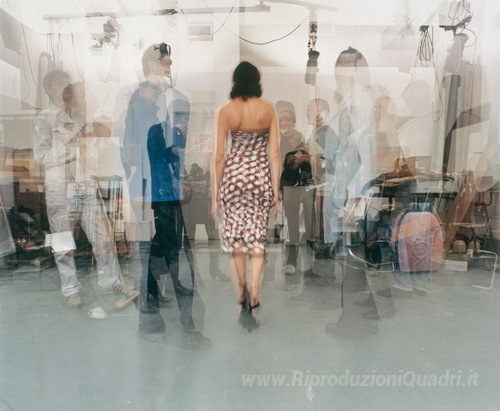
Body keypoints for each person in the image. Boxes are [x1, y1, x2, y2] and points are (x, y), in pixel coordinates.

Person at [124, 43, 211, 349]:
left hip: (166, 190)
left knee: (167, 252)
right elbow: (132, 150)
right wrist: (139, 189)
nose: (170, 68)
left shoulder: (166, 100)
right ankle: (174, 322)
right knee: (167, 256)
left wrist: (180, 176)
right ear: (152, 64)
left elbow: (172, 149)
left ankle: (166, 316)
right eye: (166, 63)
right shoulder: (139, 103)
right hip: (152, 191)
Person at [33, 73, 124, 320]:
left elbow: (91, 150)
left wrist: (94, 149)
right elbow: (41, 155)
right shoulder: (44, 118)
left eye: (67, 83)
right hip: (60, 189)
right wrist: (73, 148)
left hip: (84, 186)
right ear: (49, 89)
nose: (65, 87)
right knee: (63, 241)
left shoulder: (80, 118)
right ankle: (70, 289)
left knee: (101, 236)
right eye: (59, 83)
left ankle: (108, 279)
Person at [212, 61, 280, 329]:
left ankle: (240, 296)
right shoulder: (268, 110)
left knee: (237, 242)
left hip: (234, 179)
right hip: (259, 177)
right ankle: (254, 297)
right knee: (257, 241)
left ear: (235, 81)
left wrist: (216, 193)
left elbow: (219, 156)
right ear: (257, 80)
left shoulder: (226, 111)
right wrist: (275, 188)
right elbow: (274, 153)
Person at [276, 101, 315, 279]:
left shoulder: (301, 138)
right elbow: (276, 166)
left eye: (287, 119)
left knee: (309, 223)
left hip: (303, 186)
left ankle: (310, 264)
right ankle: (291, 261)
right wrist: (277, 188)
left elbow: (308, 162)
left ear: (293, 122)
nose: (284, 123)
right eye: (281, 120)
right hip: (287, 187)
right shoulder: (277, 140)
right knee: (292, 225)